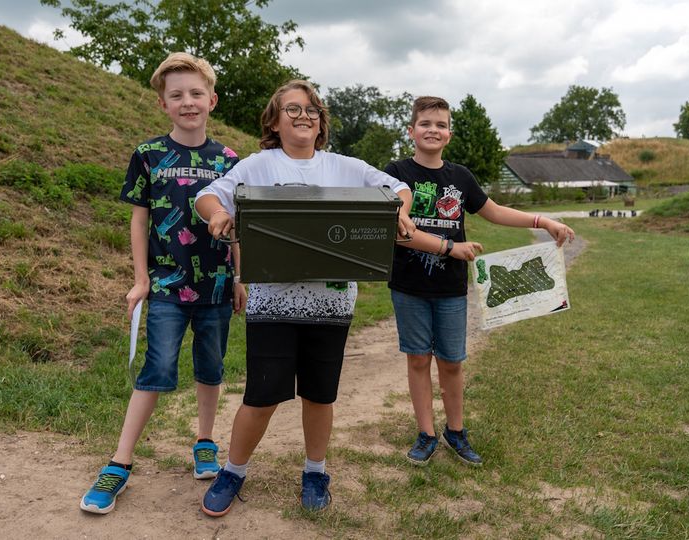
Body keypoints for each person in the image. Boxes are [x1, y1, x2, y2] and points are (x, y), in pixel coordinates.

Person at [194, 79, 417, 516]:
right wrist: (219, 213)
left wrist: (402, 212)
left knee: (321, 395)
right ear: (274, 122)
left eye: (312, 109)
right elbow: (206, 195)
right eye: (292, 109)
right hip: (271, 305)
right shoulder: (258, 165)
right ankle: (233, 471)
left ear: (322, 124)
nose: (304, 116)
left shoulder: (346, 167)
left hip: (332, 306)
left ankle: (316, 470)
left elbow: (397, 189)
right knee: (261, 397)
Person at [79, 52, 246, 514]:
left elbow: (238, 224)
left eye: (196, 93)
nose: (187, 102)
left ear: (211, 99)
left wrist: (239, 277)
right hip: (168, 288)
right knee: (157, 370)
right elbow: (138, 222)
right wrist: (140, 281)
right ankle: (119, 463)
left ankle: (205, 442)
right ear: (163, 104)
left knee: (211, 369)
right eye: (177, 95)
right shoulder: (148, 155)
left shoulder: (231, 160)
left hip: (214, 288)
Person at [385, 96, 574, 467]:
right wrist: (449, 247)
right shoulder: (395, 172)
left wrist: (542, 221)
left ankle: (455, 431)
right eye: (425, 123)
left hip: (452, 289)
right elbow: (396, 227)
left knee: (452, 362)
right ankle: (425, 434)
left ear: (449, 134)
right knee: (418, 360)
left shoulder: (461, 177)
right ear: (411, 131)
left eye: (440, 125)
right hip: (408, 285)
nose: (432, 130)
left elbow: (494, 211)